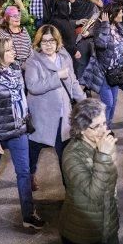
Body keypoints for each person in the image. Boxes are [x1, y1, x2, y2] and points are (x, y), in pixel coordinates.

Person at [0, 36, 44, 229]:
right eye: (9, 50)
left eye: (12, 48)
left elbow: (21, 99)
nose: (13, 52)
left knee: (24, 172)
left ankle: (28, 214)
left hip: (19, 131)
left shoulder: (15, 71)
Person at [59, 98, 121, 244]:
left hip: (107, 224)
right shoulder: (71, 155)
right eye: (97, 126)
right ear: (81, 129)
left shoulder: (104, 143)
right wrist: (104, 156)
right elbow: (95, 194)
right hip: (79, 229)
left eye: (105, 123)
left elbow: (111, 182)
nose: (104, 130)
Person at [25, 25, 85, 190]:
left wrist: (85, 103)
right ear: (39, 43)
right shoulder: (33, 61)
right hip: (41, 117)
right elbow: (33, 86)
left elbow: (73, 83)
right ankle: (29, 176)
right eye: (44, 41)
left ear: (57, 41)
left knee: (65, 157)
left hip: (63, 116)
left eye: (51, 40)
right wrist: (56, 76)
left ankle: (70, 192)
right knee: (33, 151)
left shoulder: (65, 58)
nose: (48, 44)